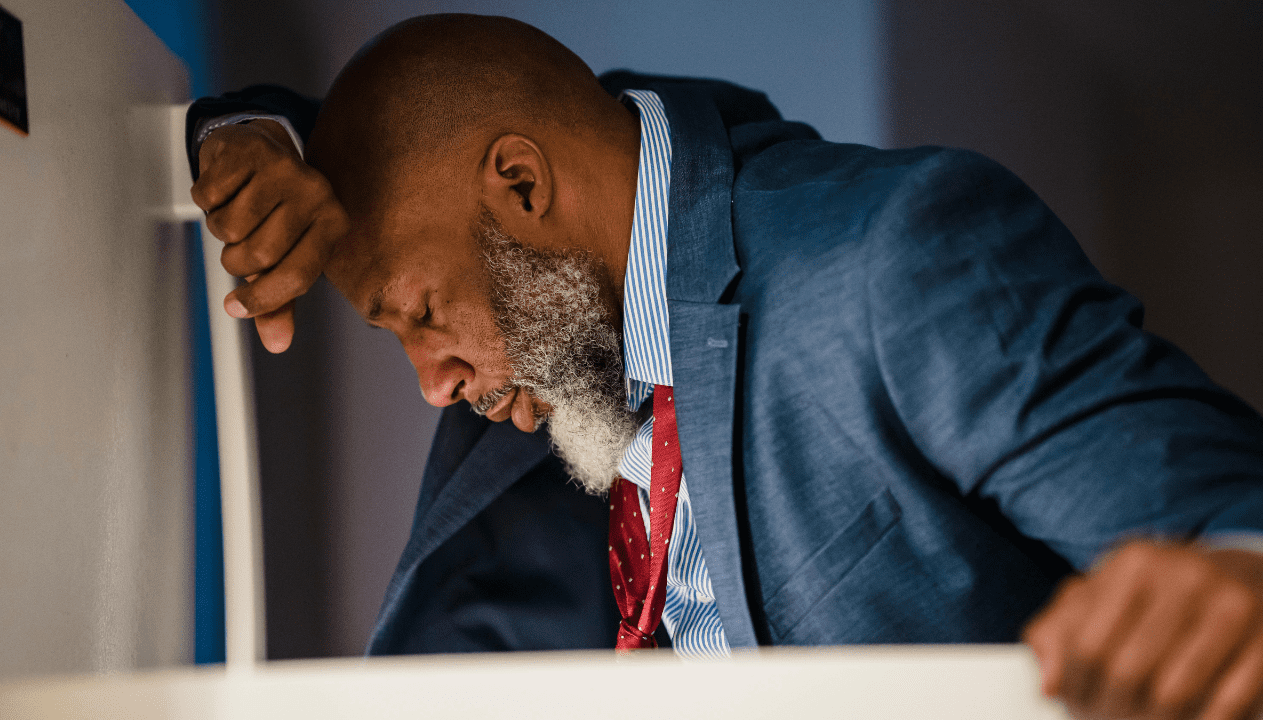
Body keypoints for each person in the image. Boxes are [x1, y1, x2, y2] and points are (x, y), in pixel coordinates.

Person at [188, 14, 1263, 719]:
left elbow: (1222, 514)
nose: (432, 381)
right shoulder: (571, 297)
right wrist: (250, 132)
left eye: (420, 314)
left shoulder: (886, 257)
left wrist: (1234, 576)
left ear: (519, 186)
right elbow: (429, 118)